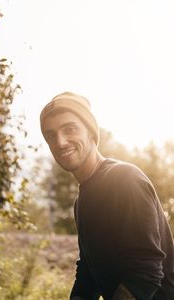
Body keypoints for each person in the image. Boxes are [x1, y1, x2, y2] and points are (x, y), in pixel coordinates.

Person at [40, 91, 174, 300]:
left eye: (70, 129)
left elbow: (146, 272)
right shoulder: (81, 201)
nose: (60, 142)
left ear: (91, 133)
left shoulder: (124, 179)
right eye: (50, 136)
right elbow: (88, 272)